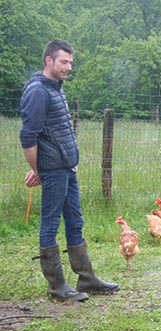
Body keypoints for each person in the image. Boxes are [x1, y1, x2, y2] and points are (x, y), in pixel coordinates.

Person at [20, 39, 119, 301]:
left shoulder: (55, 87)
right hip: (53, 170)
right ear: (48, 61)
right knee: (50, 223)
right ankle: (56, 286)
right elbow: (28, 137)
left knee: (75, 220)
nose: (69, 67)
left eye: (71, 62)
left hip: (66, 168)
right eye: (64, 62)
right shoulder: (38, 91)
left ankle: (86, 278)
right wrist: (38, 169)